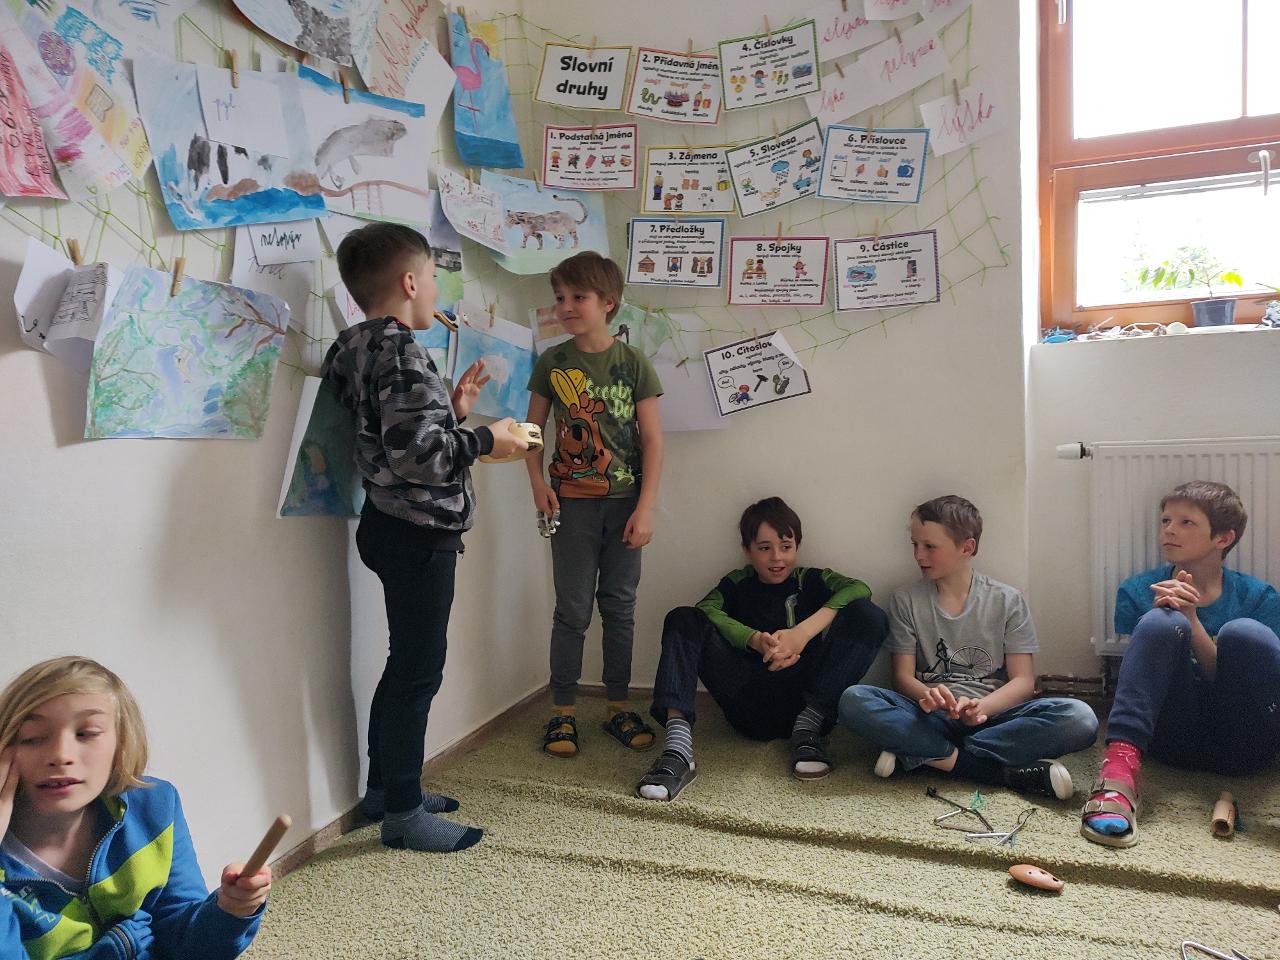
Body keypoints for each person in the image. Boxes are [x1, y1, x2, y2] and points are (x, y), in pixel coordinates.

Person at [321, 223, 526, 851]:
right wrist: (488, 438)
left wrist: (452, 411)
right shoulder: (403, 350)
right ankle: (404, 814)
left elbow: (388, 434)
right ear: (411, 283)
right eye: (433, 278)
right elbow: (418, 457)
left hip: (386, 524)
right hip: (418, 532)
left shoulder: (354, 345)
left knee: (402, 665)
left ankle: (385, 791)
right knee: (418, 674)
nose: (436, 290)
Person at [0, 657, 270, 959]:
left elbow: (187, 943)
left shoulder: (154, 808)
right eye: (34, 738)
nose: (61, 755)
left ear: (122, 744)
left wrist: (230, 912)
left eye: (87, 733)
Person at [839, 495, 1098, 799]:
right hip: (931, 716)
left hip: (993, 719)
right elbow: (902, 677)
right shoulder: (906, 599)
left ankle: (922, 754)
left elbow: (1023, 681)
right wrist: (927, 695)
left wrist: (981, 709)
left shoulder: (1007, 600)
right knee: (854, 699)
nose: (918, 555)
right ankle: (990, 771)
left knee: (1081, 718)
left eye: (930, 546)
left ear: (967, 547)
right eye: (914, 545)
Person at [637, 497, 888, 800]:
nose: (777, 557)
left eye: (786, 546)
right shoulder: (737, 583)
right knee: (682, 617)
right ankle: (678, 752)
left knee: (869, 616)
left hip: (808, 702)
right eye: (765, 548)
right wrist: (753, 639)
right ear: (748, 550)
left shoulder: (809, 579)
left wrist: (802, 633)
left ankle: (807, 730)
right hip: (748, 702)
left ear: (797, 546)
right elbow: (706, 608)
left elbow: (859, 588)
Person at [1081, 480, 1280, 847]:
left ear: (1223, 538)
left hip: (1244, 744)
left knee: (1246, 633)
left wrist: (1193, 622)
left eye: (1186, 522)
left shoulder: (1259, 597)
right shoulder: (1139, 590)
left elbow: (1256, 685)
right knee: (1161, 621)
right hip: (1171, 739)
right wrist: (1178, 619)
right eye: (1166, 520)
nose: (1169, 530)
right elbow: (1140, 683)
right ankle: (1118, 775)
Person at [525, 252, 664, 757]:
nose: (565, 306)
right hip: (571, 507)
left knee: (619, 608)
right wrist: (536, 483)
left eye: (577, 296)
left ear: (608, 302)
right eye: (560, 297)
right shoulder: (553, 362)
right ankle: (563, 711)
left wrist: (645, 509)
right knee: (572, 610)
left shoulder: (633, 363)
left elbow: (652, 440)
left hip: (625, 507)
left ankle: (617, 706)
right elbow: (532, 430)